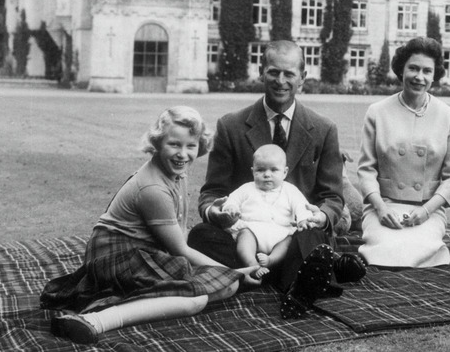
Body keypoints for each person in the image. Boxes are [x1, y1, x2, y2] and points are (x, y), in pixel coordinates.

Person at [40, 106, 260, 345]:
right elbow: (180, 250)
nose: (183, 154)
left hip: (142, 253)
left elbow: (180, 232)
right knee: (197, 299)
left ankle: (137, 300)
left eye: (191, 146)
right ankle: (95, 320)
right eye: (174, 144)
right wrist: (233, 271)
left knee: (225, 286)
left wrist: (225, 275)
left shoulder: (176, 173)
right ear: (157, 143)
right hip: (115, 256)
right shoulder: (153, 188)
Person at [187, 40, 366, 319]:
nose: (280, 81)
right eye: (273, 72)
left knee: (315, 236)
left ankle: (265, 275)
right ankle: (306, 276)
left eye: (289, 74)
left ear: (302, 78)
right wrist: (216, 211)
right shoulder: (231, 125)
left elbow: (332, 197)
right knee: (201, 236)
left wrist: (321, 216)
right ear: (261, 72)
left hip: (295, 235)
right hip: (243, 234)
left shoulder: (323, 129)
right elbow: (211, 192)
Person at [357, 36, 450, 268]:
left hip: (427, 209)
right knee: (386, 249)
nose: (419, 77)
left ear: (435, 75)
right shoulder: (377, 112)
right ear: (401, 70)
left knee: (417, 250)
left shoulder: (448, 116)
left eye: (427, 71)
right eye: (413, 68)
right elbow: (366, 170)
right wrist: (381, 208)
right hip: (384, 205)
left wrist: (427, 211)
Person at [224, 144, 315, 280]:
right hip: (252, 229)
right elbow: (233, 200)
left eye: (274, 170)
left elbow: (302, 206)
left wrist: (303, 219)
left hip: (280, 232)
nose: (267, 175)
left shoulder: (290, 190)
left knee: (288, 242)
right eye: (260, 170)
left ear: (284, 172)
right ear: (252, 171)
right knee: (244, 239)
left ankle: (271, 260)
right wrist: (231, 207)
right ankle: (252, 265)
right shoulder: (247, 188)